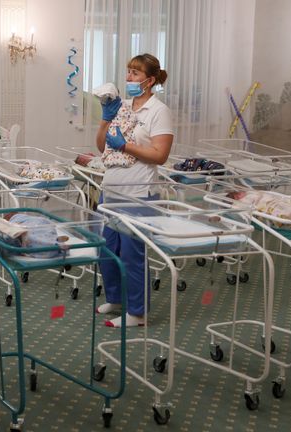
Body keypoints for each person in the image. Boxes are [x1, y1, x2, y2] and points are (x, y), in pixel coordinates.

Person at [96, 53, 174, 328]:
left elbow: (160, 155)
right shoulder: (123, 106)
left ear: (150, 80)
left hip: (138, 193)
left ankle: (138, 313)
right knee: (107, 251)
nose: (129, 77)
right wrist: (105, 119)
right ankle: (116, 298)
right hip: (111, 190)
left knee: (132, 255)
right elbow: (101, 145)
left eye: (136, 73)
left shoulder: (158, 111)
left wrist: (125, 146)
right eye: (128, 72)